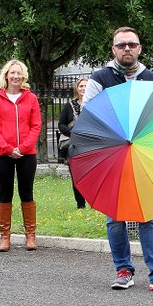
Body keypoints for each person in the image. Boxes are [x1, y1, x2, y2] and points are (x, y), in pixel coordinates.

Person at [83, 26, 153, 291]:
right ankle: (123, 270)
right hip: (111, 155)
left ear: (140, 48)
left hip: (143, 154)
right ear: (113, 50)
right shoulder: (100, 78)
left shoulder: (151, 78)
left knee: (148, 213)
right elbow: (88, 118)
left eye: (131, 44)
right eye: (121, 45)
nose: (127, 49)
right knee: (115, 216)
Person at [0, 59, 42, 252]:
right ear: (6, 75)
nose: (16, 76)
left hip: (27, 154)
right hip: (2, 154)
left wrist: (24, 147)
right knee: (5, 194)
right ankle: (5, 237)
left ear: (24, 76)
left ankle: (30, 235)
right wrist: (8, 148)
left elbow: (36, 126)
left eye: (19, 73)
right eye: (12, 73)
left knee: (26, 193)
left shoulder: (31, 98)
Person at [58, 77, 88, 209]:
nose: (83, 88)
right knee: (76, 176)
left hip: (91, 145)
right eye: (81, 86)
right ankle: (80, 204)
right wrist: (73, 132)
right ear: (77, 88)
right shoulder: (69, 106)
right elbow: (61, 125)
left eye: (86, 86)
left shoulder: (95, 105)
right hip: (74, 146)